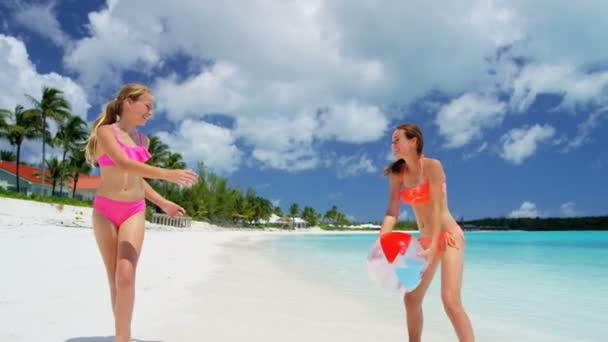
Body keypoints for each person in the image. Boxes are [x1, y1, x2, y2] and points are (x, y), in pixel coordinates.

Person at [84, 83, 199, 342]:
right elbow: (124, 163)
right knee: (114, 278)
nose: (150, 112)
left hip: (134, 210)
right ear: (128, 102)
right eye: (147, 105)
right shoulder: (105, 132)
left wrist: (163, 202)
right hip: (104, 210)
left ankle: (122, 338)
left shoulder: (143, 140)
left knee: (125, 274)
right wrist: (168, 174)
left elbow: (137, 178)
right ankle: (121, 337)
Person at [380, 123, 475, 342]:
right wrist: (383, 239)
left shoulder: (433, 166)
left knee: (450, 300)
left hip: (449, 236)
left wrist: (434, 246)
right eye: (392, 140)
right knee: (411, 299)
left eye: (397, 139)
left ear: (413, 141)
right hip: (425, 240)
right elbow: (392, 210)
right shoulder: (398, 173)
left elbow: (438, 208)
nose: (392, 144)